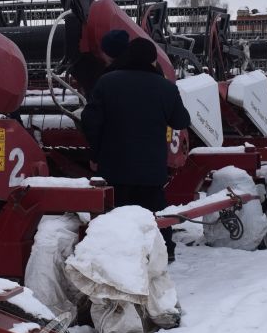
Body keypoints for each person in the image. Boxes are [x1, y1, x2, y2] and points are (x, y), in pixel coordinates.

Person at [81, 37, 191, 261]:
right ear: (152, 61)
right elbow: (181, 120)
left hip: (114, 165)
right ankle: (164, 252)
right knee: (155, 213)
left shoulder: (107, 82)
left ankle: (116, 258)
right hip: (151, 168)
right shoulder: (165, 88)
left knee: (116, 213)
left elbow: (90, 121)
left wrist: (95, 153)